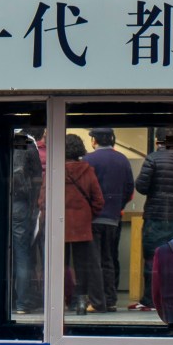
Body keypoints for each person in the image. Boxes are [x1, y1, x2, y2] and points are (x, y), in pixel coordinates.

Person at [83, 129, 134, 313]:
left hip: (93, 217)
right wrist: (117, 206)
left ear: (94, 140)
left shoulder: (88, 160)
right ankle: (111, 300)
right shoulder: (122, 159)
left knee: (94, 260)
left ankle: (97, 301)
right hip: (113, 217)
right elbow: (130, 188)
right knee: (109, 258)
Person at [132, 129, 173, 312]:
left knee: (152, 258)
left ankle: (150, 299)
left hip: (155, 215)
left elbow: (142, 186)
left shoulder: (152, 159)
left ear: (157, 140)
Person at [62, 134, 104, 315]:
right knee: (82, 265)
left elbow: (43, 199)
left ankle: (62, 300)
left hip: (60, 225)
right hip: (82, 225)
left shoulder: (56, 170)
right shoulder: (88, 171)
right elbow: (99, 200)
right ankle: (81, 302)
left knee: (60, 265)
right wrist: (87, 215)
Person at [10, 129, 43, 314]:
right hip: (22, 205)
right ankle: (23, 303)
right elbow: (38, 178)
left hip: (0, 206)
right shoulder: (28, 145)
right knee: (22, 254)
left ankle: (8, 300)